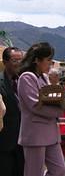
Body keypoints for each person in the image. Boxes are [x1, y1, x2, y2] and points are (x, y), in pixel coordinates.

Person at [18, 42, 65, 176]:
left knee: (60, 170)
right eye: (48, 60)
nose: (51, 64)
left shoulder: (45, 77)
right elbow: (35, 105)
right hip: (35, 133)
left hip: (51, 133)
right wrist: (60, 110)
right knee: (34, 172)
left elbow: (50, 99)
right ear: (37, 60)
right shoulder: (26, 77)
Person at [0, 47, 24, 176]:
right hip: (4, 144)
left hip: (24, 142)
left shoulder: (25, 81)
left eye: (21, 60)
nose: (19, 64)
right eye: (15, 60)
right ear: (5, 62)